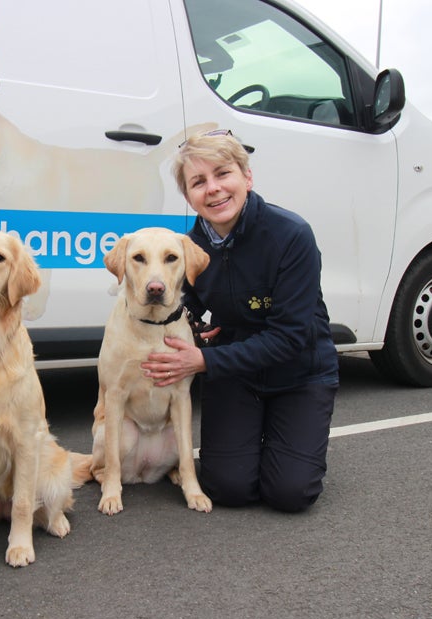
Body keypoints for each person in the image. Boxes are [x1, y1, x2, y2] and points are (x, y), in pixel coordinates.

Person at [141, 129, 339, 513]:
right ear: (188, 196)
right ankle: (255, 440)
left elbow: (291, 338)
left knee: (290, 493)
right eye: (199, 182)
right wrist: (193, 327)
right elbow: (186, 302)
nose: (213, 189)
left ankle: (286, 441)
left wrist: (204, 360)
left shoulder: (291, 235)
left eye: (223, 174)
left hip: (299, 373)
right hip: (238, 374)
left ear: (246, 177)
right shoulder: (189, 247)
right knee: (228, 488)